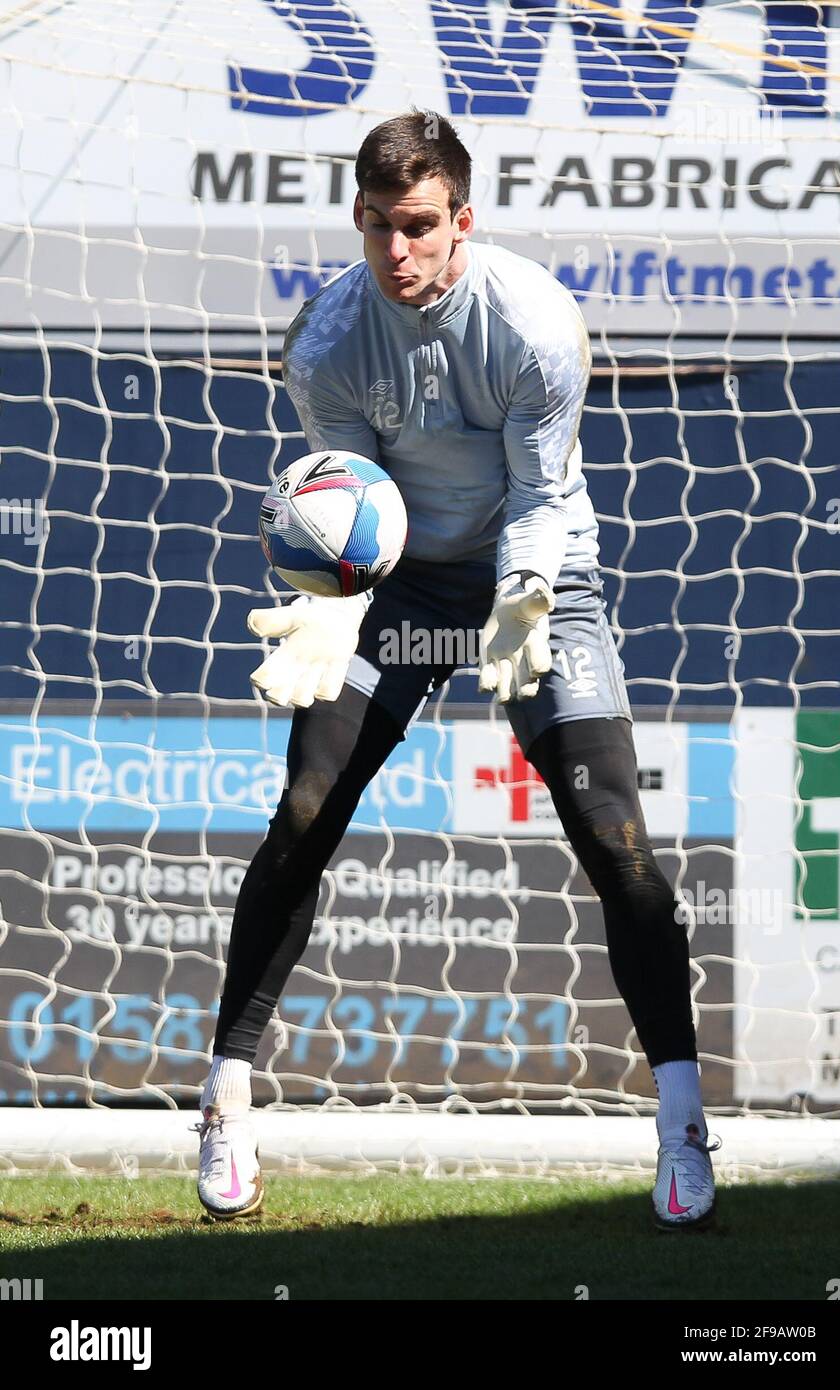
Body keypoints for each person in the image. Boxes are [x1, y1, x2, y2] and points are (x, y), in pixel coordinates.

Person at [194, 110, 719, 1229]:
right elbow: (351, 501)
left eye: (421, 227)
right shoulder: (327, 341)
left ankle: (679, 1121)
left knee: (616, 839)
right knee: (303, 808)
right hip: (404, 590)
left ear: (461, 221)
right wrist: (332, 612)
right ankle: (225, 1100)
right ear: (358, 218)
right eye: (381, 226)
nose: (398, 252)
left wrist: (524, 596)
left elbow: (537, 491)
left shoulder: (531, 324)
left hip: (540, 580)